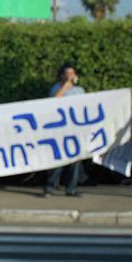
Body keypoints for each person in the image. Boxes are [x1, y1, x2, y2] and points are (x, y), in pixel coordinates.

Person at [42, 63, 85, 197]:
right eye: (67, 73)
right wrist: (65, 86)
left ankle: (71, 188)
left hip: (75, 128)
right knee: (58, 158)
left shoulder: (79, 90)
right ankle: (50, 186)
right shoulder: (57, 88)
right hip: (60, 129)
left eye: (72, 73)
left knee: (75, 160)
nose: (70, 76)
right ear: (62, 76)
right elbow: (53, 102)